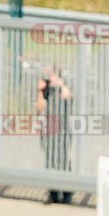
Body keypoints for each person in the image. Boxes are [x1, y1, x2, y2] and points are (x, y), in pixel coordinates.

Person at [37, 66, 73, 205]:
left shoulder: (64, 87)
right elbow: (39, 108)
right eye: (47, 74)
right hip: (48, 130)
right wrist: (39, 91)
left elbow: (68, 96)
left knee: (63, 161)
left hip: (63, 130)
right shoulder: (45, 89)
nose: (48, 76)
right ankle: (53, 193)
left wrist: (60, 84)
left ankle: (67, 193)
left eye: (51, 74)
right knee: (50, 161)